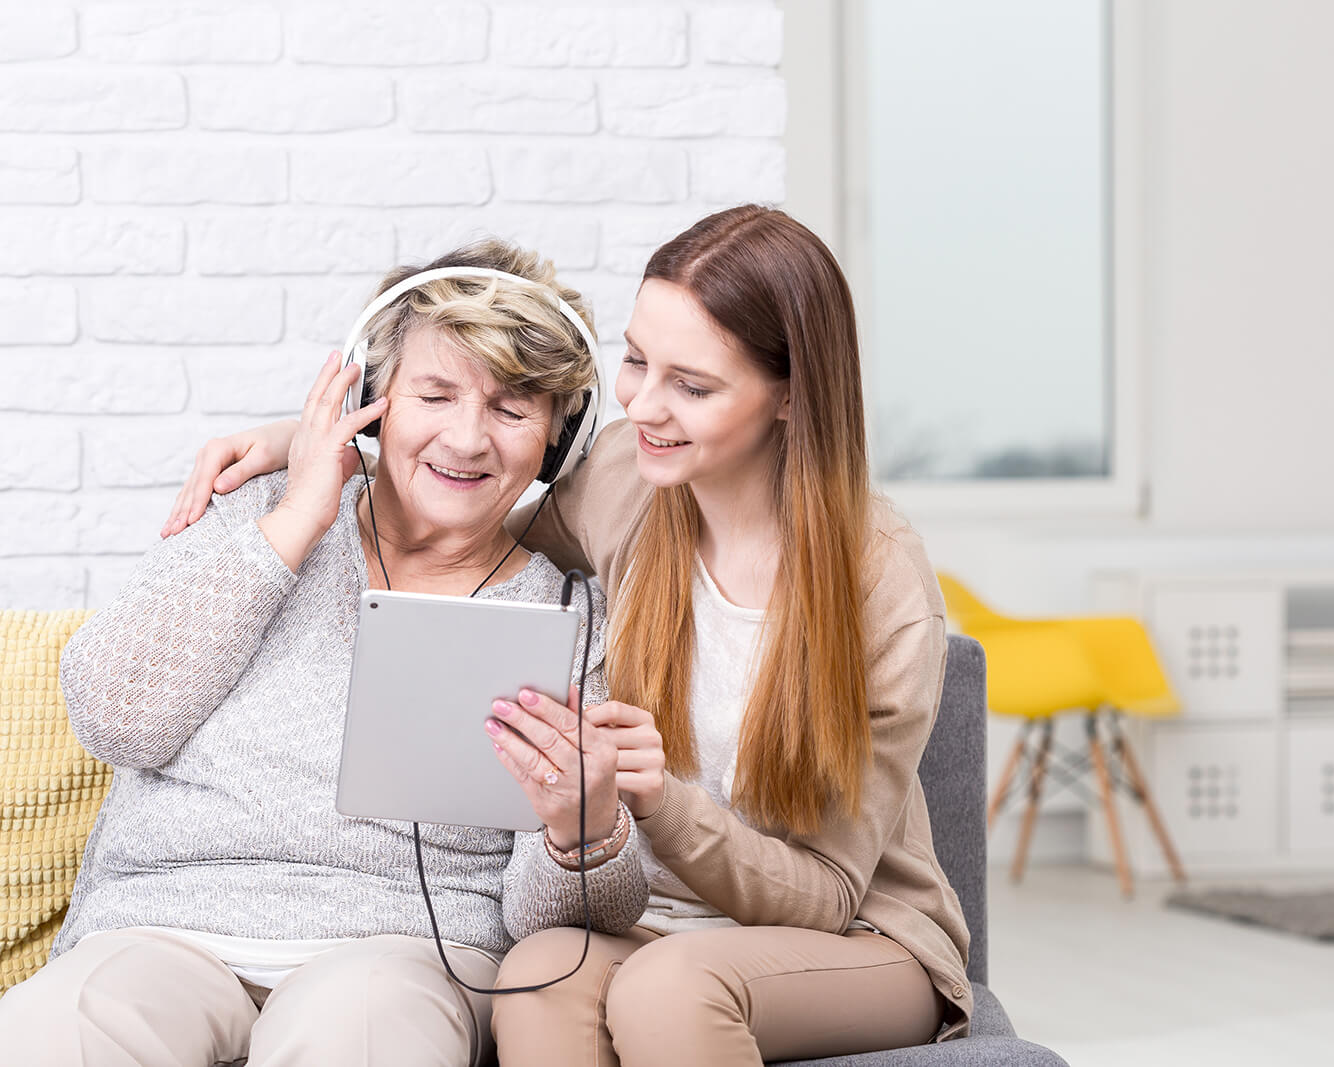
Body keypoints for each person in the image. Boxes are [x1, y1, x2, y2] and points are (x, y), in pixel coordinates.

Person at [160, 206, 972, 1065]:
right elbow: (468, 502)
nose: (643, 406)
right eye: (637, 361)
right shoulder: (629, 482)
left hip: (852, 937)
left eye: (693, 387)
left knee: (672, 988)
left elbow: (827, 894)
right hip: (655, 922)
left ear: (792, 394)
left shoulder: (881, 586)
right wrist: (314, 443)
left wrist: (661, 801)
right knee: (539, 972)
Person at [0, 241, 648, 1067]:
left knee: (363, 1029)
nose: (466, 437)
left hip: (401, 952)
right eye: (435, 394)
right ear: (372, 400)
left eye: (512, 409)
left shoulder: (566, 615)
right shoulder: (255, 509)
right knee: (52, 1026)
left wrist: (579, 829)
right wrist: (295, 522)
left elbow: (550, 923)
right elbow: (111, 717)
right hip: (163, 925)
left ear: (559, 436)